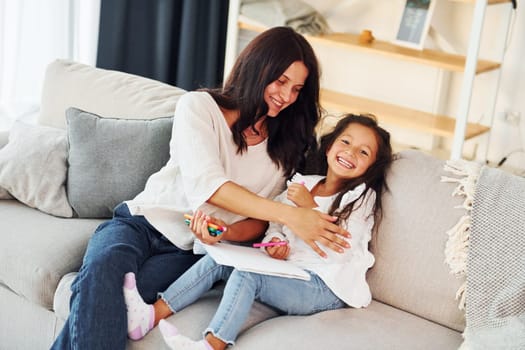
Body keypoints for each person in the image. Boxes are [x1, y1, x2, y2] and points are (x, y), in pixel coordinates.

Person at [51, 26, 351, 350]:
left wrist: (226, 233)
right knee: (100, 274)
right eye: (281, 82)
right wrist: (293, 217)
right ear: (257, 67)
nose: (287, 96)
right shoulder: (199, 107)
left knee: (102, 297)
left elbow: (260, 224)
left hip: (191, 251)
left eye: (297, 89)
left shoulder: (286, 149)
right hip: (141, 223)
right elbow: (209, 187)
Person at [122, 113, 393, 349]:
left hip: (326, 285)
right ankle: (149, 316)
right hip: (292, 270)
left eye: (363, 152)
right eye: (346, 142)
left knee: (246, 277)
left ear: (371, 166)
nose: (351, 152)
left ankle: (211, 344)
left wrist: (309, 207)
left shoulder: (360, 197)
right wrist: (276, 242)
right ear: (331, 144)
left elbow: (339, 244)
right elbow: (276, 223)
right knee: (219, 259)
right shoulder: (304, 183)